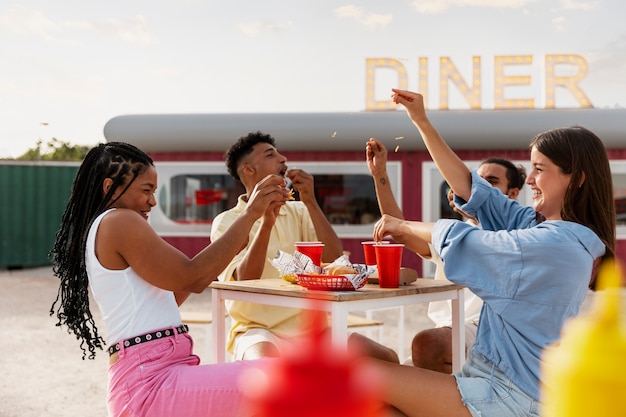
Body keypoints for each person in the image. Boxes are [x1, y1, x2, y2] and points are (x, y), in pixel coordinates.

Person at [355, 89, 615, 417]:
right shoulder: (538, 226)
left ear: (576, 178)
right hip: (494, 383)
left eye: (540, 169)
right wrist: (421, 120)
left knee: (356, 376)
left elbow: (464, 239)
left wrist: (404, 226)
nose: (531, 178)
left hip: (507, 397)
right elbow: (472, 187)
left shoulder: (557, 245)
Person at [49, 142, 289, 417]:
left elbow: (176, 289)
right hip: (150, 382)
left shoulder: (111, 225)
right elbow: (192, 278)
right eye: (146, 190)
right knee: (283, 378)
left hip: (152, 376)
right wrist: (250, 215)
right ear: (110, 187)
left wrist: (249, 229)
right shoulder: (119, 222)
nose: (153, 201)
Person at [365, 138, 527, 373]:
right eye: (477, 181)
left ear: (512, 194)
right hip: (445, 333)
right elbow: (400, 230)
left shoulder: (518, 235)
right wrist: (380, 174)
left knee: (428, 344)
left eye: (491, 182)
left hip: (485, 333)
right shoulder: (453, 232)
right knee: (363, 354)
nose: (479, 188)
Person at [210, 131, 344, 360]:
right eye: (271, 155)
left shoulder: (301, 210)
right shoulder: (227, 222)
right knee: (266, 367)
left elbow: (334, 257)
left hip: (314, 329)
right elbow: (244, 279)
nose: (283, 159)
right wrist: (266, 224)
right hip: (258, 330)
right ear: (249, 170)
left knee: (383, 356)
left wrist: (310, 201)